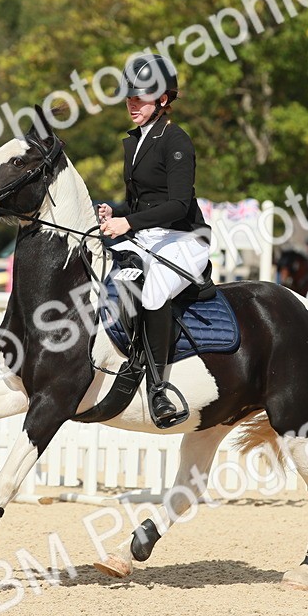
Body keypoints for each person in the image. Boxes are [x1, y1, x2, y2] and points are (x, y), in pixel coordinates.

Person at [97, 53, 210, 429]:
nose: (132, 104)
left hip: (183, 238)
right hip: (146, 234)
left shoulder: (176, 140)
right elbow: (138, 202)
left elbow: (178, 204)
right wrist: (113, 215)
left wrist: (127, 222)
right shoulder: (133, 141)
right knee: (104, 273)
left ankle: (159, 388)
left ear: (163, 99)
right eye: (129, 97)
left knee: (154, 292)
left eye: (140, 97)